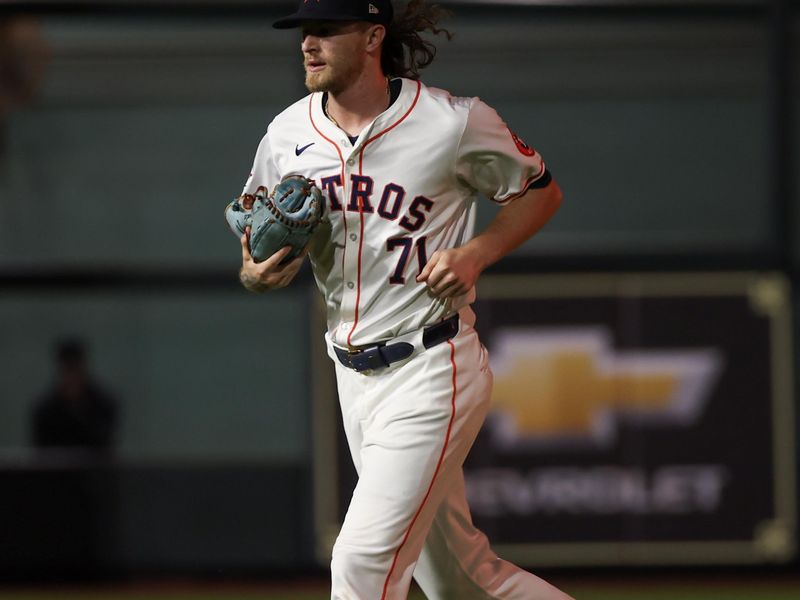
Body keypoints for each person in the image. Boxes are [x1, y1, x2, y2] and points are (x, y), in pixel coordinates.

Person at [237, 1, 571, 598]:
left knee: (360, 562)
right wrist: (254, 274)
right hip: (352, 378)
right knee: (463, 583)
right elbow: (253, 241)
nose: (308, 44)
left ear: (372, 36)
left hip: (430, 366)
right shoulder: (286, 134)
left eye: (326, 31)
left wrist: (476, 253)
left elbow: (540, 194)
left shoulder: (451, 122)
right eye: (303, 32)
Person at [31, 337, 119, 452]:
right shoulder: (45, 409)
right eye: (68, 369)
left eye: (75, 368)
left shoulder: (104, 404)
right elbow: (42, 449)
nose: (72, 377)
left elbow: (103, 442)